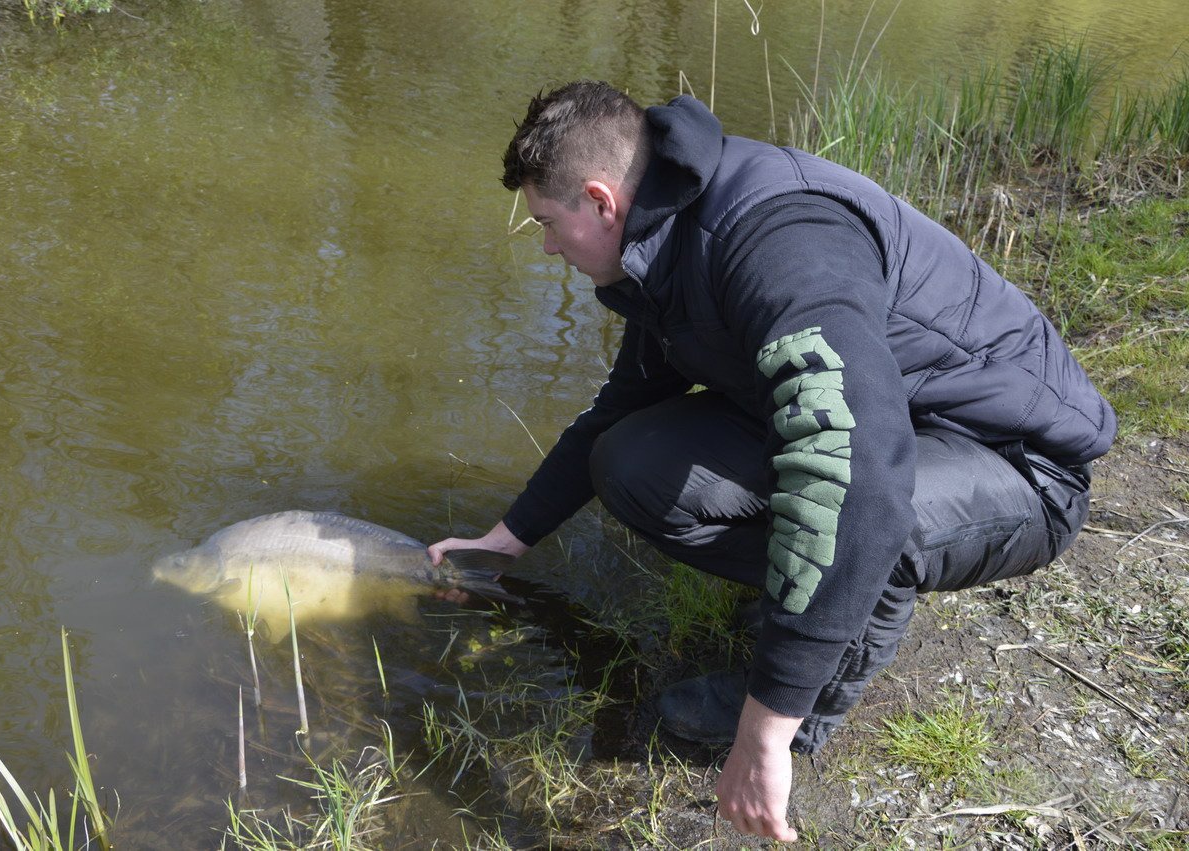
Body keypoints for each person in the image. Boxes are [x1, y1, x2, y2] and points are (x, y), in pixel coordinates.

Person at [427, 80, 1114, 841]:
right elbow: (615, 412)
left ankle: (808, 698)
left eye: (548, 224)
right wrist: (507, 538)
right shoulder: (662, 240)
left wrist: (766, 726)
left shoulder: (779, 240)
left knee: (863, 514)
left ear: (599, 199)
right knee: (632, 460)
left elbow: (857, 473)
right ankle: (814, 599)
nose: (550, 247)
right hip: (899, 423)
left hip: (1013, 459)